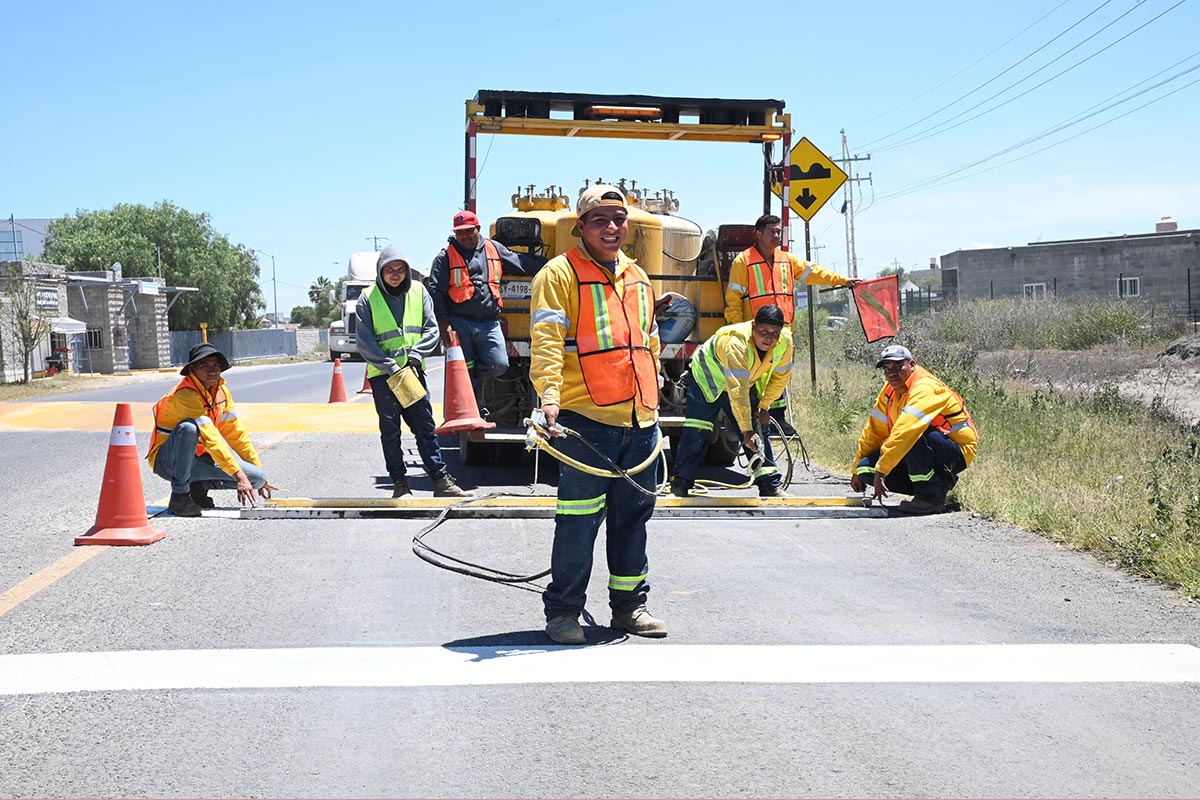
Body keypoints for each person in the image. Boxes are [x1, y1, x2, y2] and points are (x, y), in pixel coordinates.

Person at [530, 184, 666, 645]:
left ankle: (630, 607)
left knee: (633, 519)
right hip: (586, 422)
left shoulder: (639, 278)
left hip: (639, 420)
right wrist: (549, 397)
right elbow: (547, 341)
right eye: (600, 220)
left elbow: (647, 340)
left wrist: (655, 385)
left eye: (618, 219)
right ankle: (564, 612)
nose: (612, 228)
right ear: (581, 227)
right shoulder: (559, 274)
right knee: (579, 520)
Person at [724, 213, 861, 435]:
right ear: (758, 234)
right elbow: (733, 299)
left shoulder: (787, 260)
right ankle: (747, 421)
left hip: (782, 332)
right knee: (753, 377)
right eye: (772, 231)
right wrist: (738, 331)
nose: (777, 235)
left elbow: (814, 273)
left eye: (779, 231)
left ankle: (777, 419)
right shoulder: (744, 260)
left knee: (779, 375)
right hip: (755, 333)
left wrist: (842, 281)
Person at [357, 244, 471, 499]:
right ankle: (400, 483)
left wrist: (416, 355)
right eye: (389, 270)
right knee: (391, 431)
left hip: (411, 374)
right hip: (384, 377)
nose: (395, 274)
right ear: (380, 271)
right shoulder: (368, 297)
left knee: (425, 428)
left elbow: (431, 329)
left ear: (407, 271)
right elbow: (364, 342)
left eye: (400, 269)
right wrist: (390, 366)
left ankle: (441, 481)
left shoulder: (419, 291)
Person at [670, 305, 793, 499]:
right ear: (753, 326)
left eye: (774, 333)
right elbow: (737, 390)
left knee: (758, 429)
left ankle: (770, 486)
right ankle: (680, 486)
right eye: (764, 332)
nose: (769, 338)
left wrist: (764, 406)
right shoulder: (737, 341)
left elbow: (780, 378)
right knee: (697, 430)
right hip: (707, 379)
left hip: (741, 381)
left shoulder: (785, 342)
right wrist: (745, 430)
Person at [148, 342, 278, 517]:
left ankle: (198, 487)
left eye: (216, 365)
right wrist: (238, 476)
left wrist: (255, 470)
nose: (212, 370)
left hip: (198, 458)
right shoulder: (184, 394)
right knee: (189, 428)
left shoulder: (221, 392)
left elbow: (236, 434)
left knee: (257, 478)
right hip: (168, 462)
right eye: (204, 366)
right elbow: (211, 436)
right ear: (192, 369)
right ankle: (180, 496)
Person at [851, 344, 978, 515]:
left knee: (913, 436)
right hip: (924, 448)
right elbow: (873, 432)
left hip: (956, 451)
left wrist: (882, 471)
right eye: (886, 368)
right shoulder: (889, 391)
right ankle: (934, 485)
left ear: (912, 365)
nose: (892, 373)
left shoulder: (925, 386)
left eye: (898, 366)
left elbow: (906, 430)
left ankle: (930, 499)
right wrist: (855, 472)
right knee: (865, 468)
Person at [427, 210, 523, 413]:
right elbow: (436, 292)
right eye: (460, 232)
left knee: (499, 364)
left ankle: (476, 383)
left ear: (477, 229)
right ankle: (472, 412)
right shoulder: (444, 257)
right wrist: (443, 324)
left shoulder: (492, 248)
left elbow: (517, 261)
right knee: (464, 371)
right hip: (459, 322)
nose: (465, 236)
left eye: (469, 231)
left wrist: (553, 262)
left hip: (489, 322)